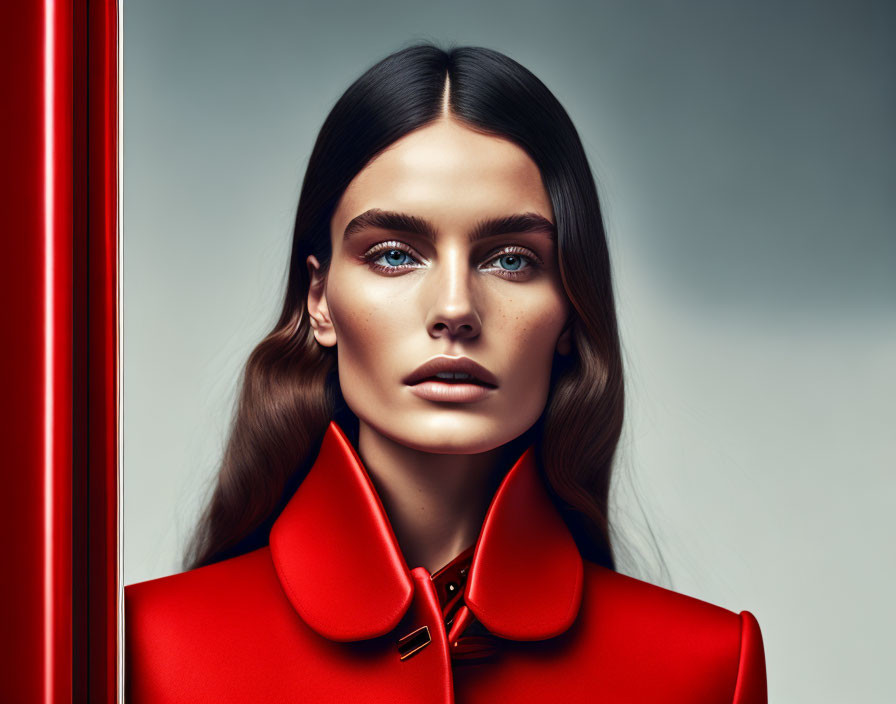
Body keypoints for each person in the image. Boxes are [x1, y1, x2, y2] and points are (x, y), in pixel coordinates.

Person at [126, 43, 767, 703]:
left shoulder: (707, 669)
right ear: (319, 301)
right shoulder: (139, 649)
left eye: (511, 260)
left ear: (573, 310)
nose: (455, 309)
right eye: (396, 255)